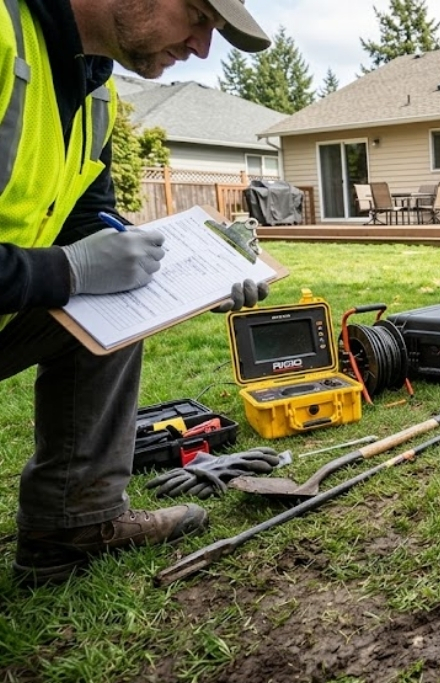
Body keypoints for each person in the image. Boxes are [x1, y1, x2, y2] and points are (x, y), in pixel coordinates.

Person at [1, 0, 272, 585]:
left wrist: (193, 279)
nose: (202, 48)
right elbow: (75, 260)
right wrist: (69, 271)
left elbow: (87, 218)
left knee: (114, 297)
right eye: (199, 17)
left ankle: (72, 523)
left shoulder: (93, 87)